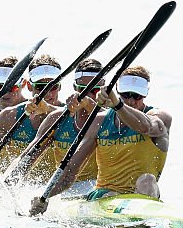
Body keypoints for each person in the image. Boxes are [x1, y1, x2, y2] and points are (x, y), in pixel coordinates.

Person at [29, 65, 171, 215]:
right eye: (126, 95)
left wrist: (118, 105)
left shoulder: (160, 118)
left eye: (137, 96)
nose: (131, 100)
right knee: (110, 194)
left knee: (147, 180)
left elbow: (145, 127)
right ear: (118, 91)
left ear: (146, 94)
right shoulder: (99, 122)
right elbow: (70, 172)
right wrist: (45, 197)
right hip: (106, 195)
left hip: (142, 194)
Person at [12, 58, 104, 197]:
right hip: (62, 189)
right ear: (74, 88)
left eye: (95, 90)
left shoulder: (112, 118)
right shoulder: (56, 118)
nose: (90, 95)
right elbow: (27, 157)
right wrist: (8, 182)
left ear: (104, 89)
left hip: (98, 189)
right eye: (83, 90)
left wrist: (89, 104)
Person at [0, 54, 64, 182]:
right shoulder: (10, 115)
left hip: (58, 186)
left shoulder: (73, 113)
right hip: (23, 185)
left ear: (60, 87)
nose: (48, 93)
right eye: (40, 87)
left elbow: (96, 117)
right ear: (29, 86)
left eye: (53, 86)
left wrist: (48, 109)